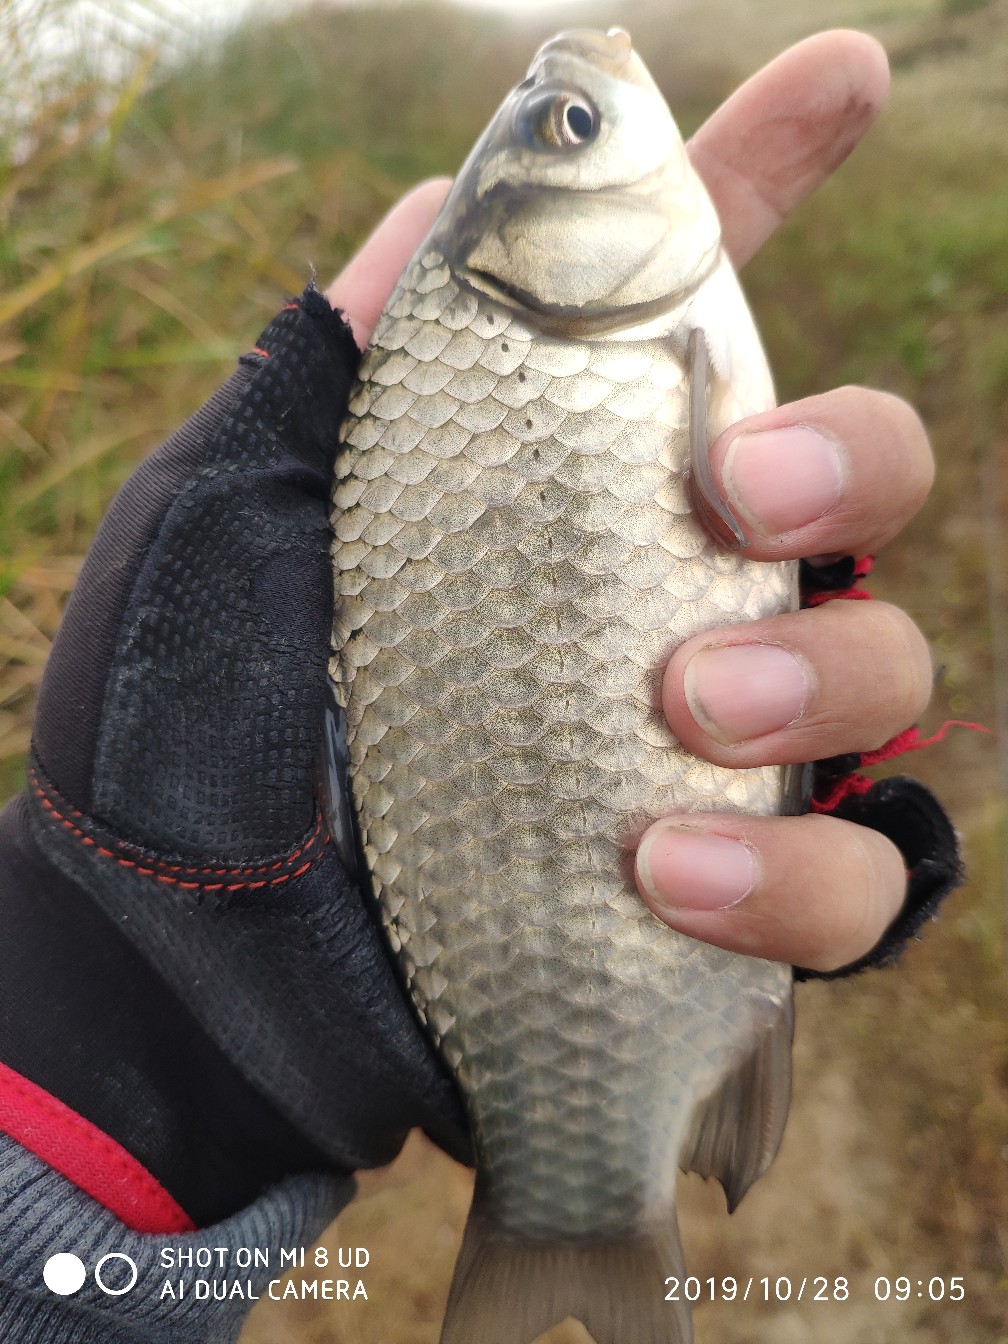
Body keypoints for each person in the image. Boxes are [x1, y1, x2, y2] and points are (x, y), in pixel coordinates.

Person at [0, 28, 959, 1344]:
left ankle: (606, 1152)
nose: (598, 90)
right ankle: (577, 1207)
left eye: (564, 124)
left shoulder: (524, 330)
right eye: (569, 127)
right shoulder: (510, 337)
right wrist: (163, 1000)